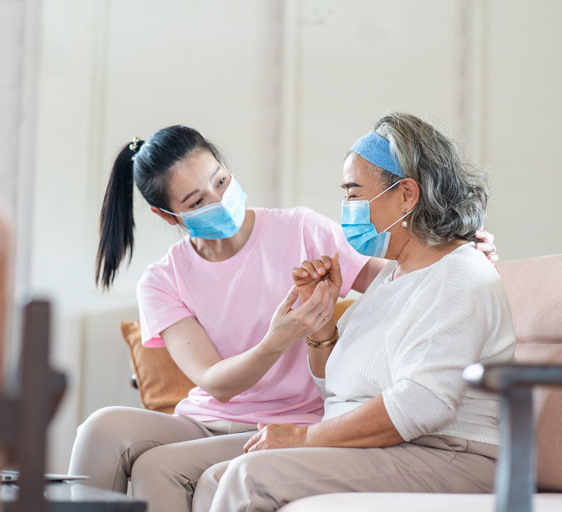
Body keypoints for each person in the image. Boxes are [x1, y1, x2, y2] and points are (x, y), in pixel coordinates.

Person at [68, 125, 496, 512]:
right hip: (205, 420)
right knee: (100, 428)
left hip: (295, 418)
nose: (219, 200)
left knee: (156, 468)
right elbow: (215, 382)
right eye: (197, 200)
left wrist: (456, 249)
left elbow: (400, 277)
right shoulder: (163, 279)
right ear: (167, 215)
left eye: (220, 181)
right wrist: (283, 336)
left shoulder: (302, 230)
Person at [192, 112, 516, 512]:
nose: (346, 206)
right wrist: (321, 321)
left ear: (407, 195)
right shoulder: (393, 276)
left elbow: (422, 404)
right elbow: (335, 388)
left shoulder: (458, 272)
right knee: (215, 479)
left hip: (451, 454)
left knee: (248, 478)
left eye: (354, 192)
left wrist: (303, 438)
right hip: (398, 447)